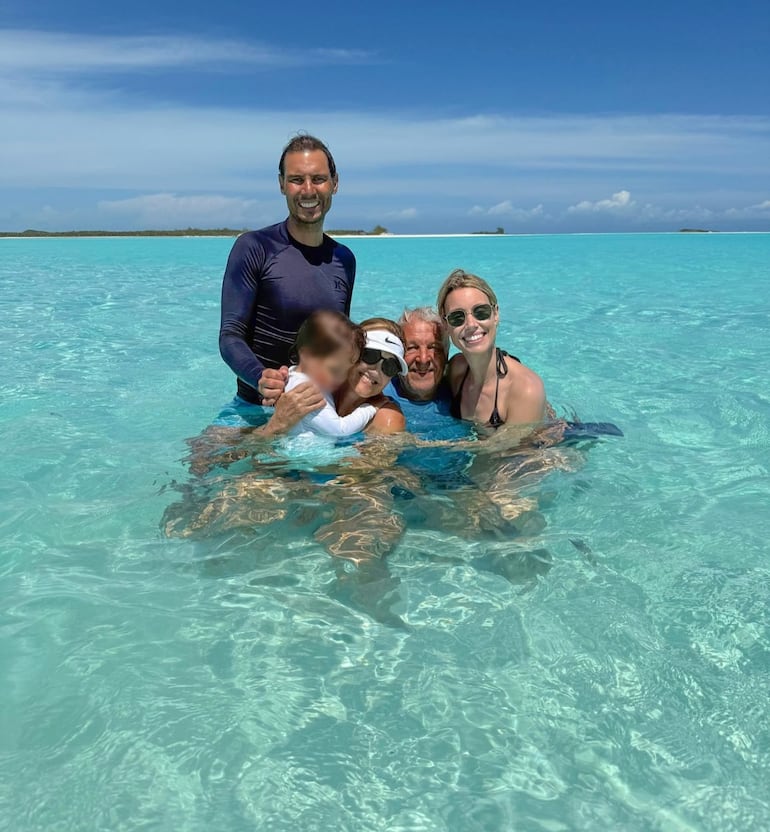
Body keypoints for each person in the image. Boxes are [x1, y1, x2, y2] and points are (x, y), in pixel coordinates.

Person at [217, 132, 354, 427]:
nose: (308, 190)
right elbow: (230, 336)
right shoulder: (255, 247)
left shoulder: (345, 259)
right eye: (296, 180)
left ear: (335, 183)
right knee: (200, 468)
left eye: (318, 179)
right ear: (281, 184)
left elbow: (343, 344)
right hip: (254, 410)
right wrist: (259, 377)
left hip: (321, 413)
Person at [437, 269, 547, 438]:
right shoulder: (456, 370)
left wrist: (421, 446)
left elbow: (507, 454)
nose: (471, 324)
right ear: (445, 325)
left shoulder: (525, 389)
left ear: (496, 314)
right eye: (457, 318)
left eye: (481, 312)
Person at [283, 311, 376, 438]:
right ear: (307, 355)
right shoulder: (306, 391)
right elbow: (340, 429)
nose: (341, 378)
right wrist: (371, 408)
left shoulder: (292, 376)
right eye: (334, 370)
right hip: (306, 456)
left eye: (347, 370)